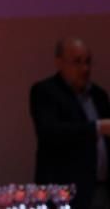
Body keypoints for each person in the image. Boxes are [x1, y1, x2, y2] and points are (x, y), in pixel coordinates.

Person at [30, 36, 110, 209]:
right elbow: (50, 133)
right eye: (77, 62)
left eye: (88, 62)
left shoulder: (99, 95)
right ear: (59, 63)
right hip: (64, 192)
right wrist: (97, 128)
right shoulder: (45, 92)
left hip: (101, 190)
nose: (85, 68)